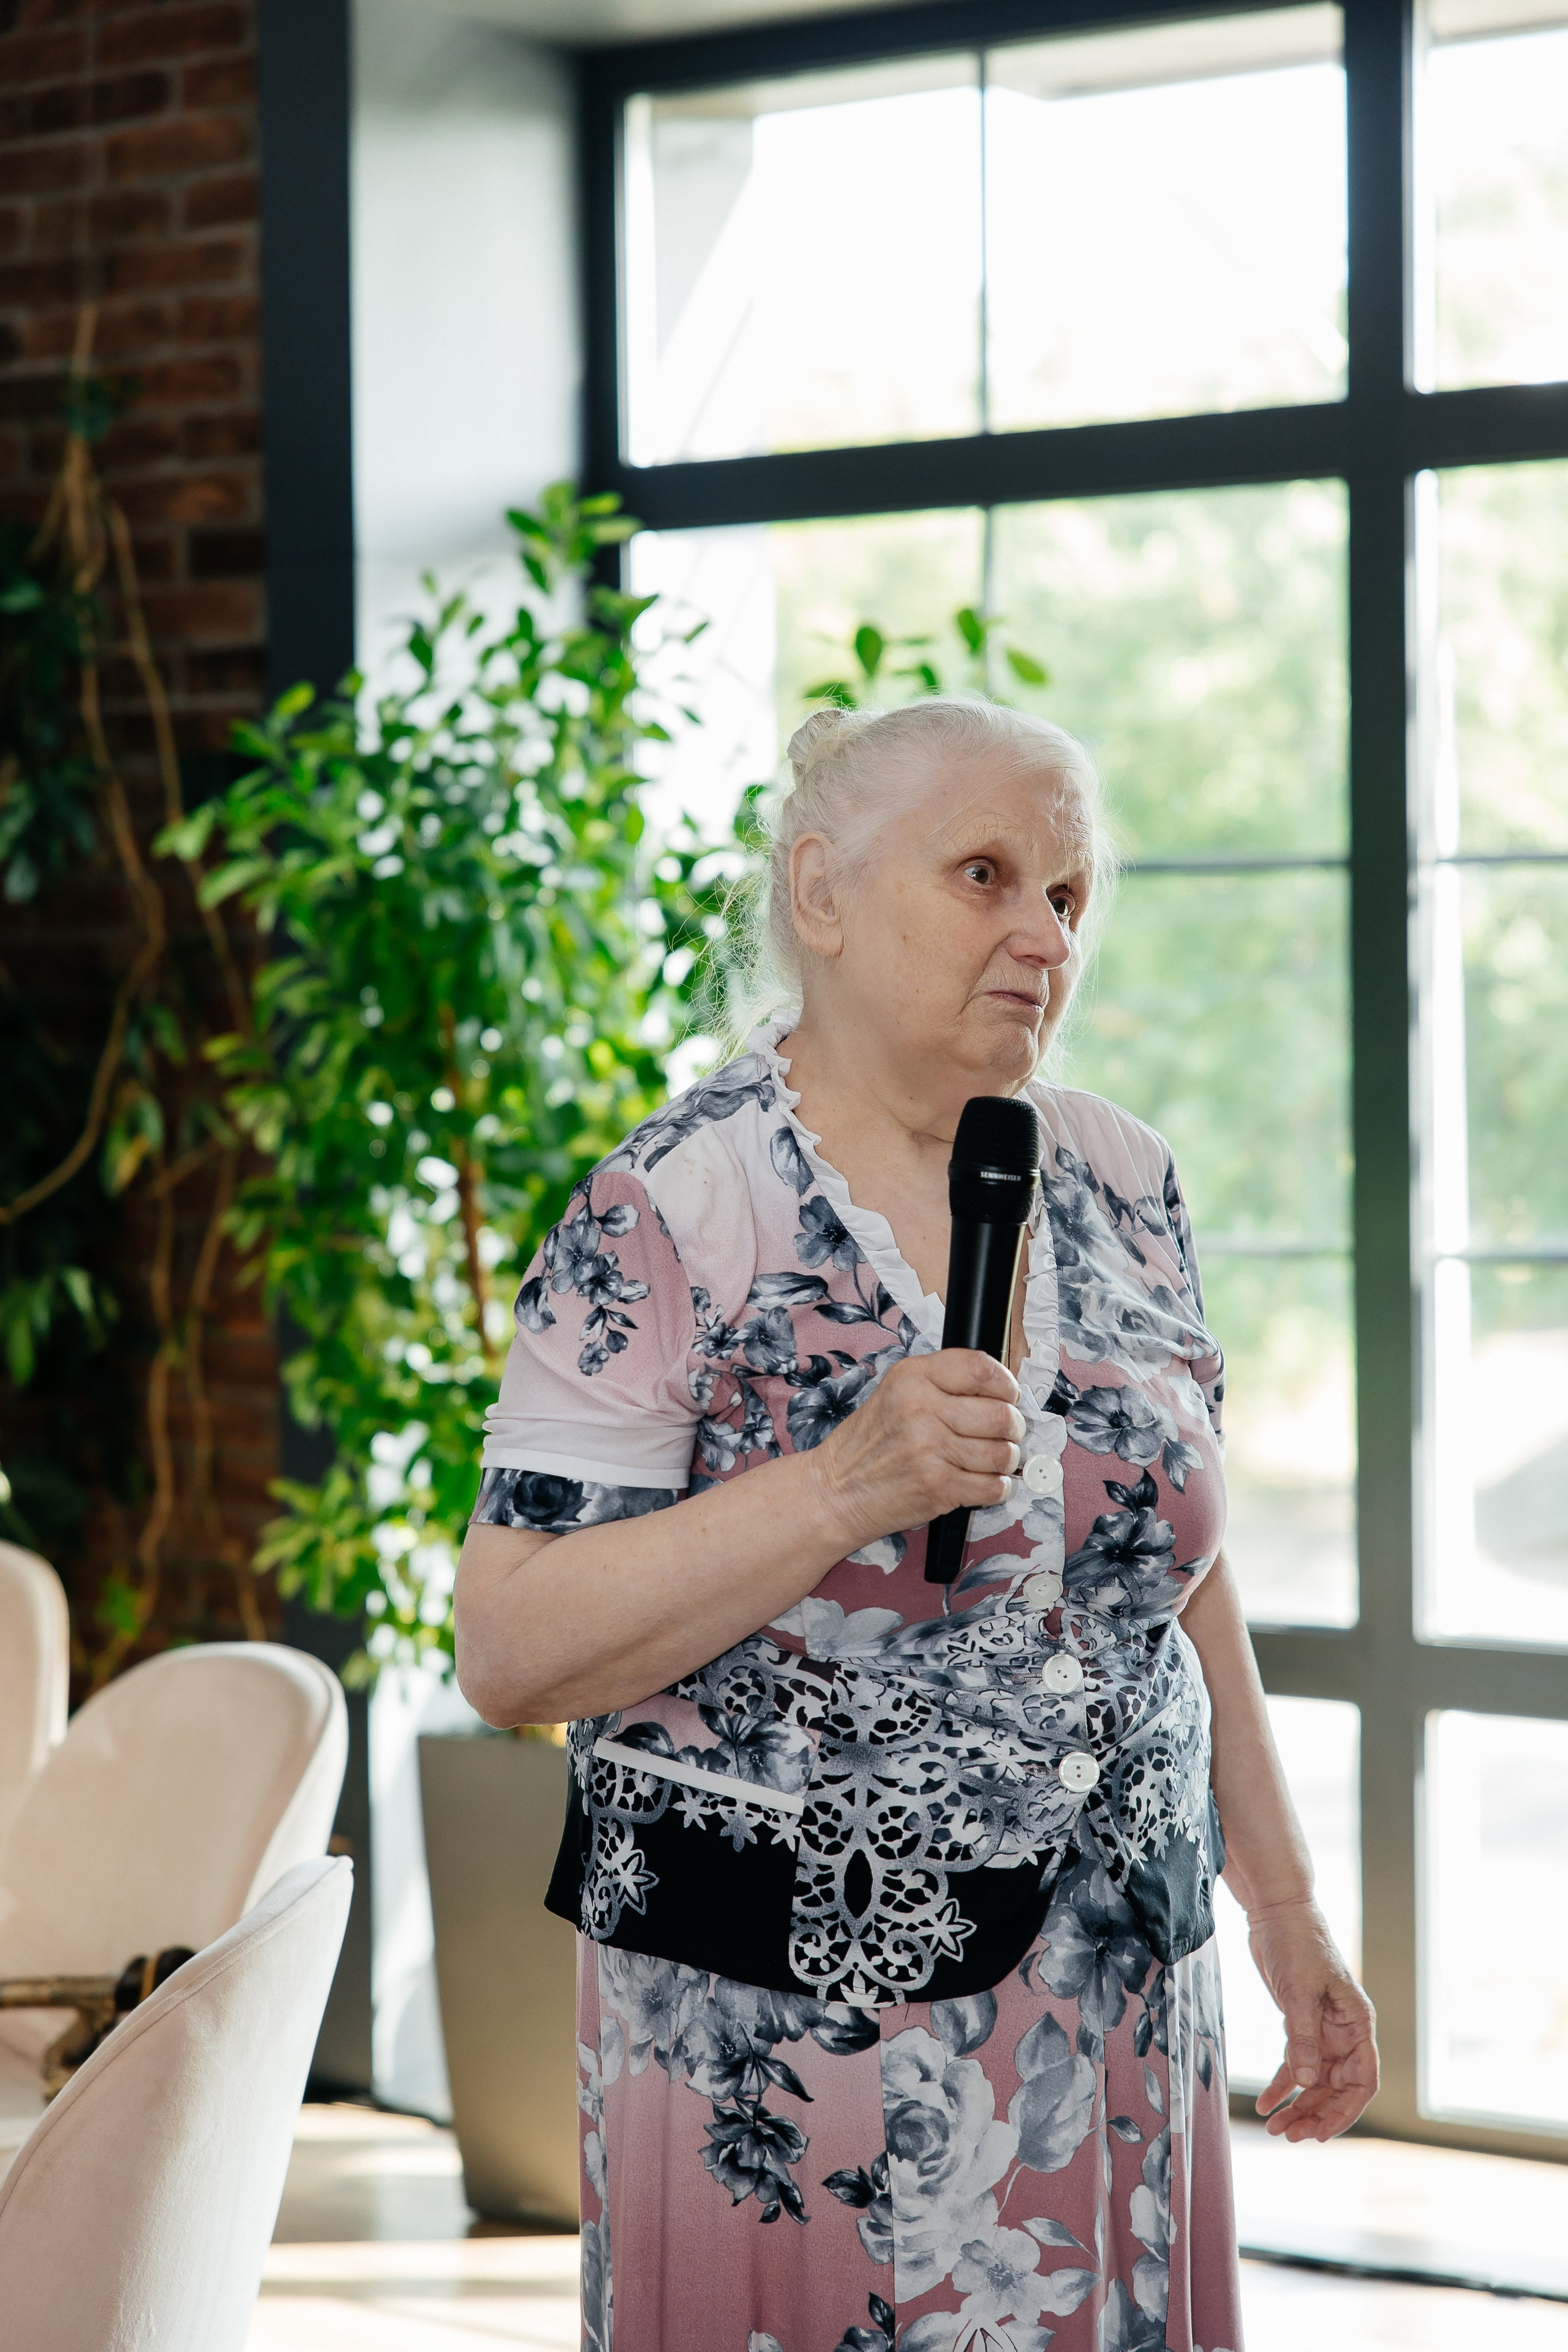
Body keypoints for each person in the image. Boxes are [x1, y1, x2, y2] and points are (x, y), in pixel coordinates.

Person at [454, 696, 1378, 2352]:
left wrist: (1290, 1908)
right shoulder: (672, 1208)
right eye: (986, 876)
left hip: (1114, 1991)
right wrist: (840, 1490)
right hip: (792, 2038)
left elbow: (1179, 1572)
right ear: (820, 892)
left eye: (1071, 897)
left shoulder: (1125, 1177)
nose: (1042, 934)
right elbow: (510, 1645)